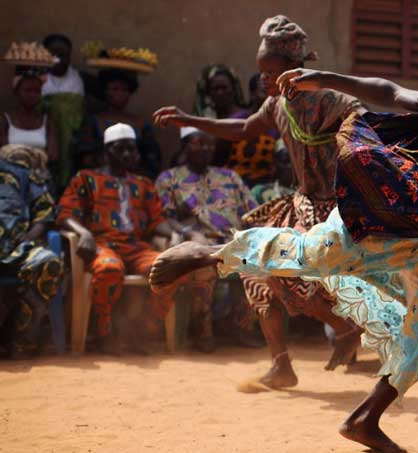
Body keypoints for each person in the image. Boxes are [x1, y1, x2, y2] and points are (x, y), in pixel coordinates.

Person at [150, 50, 418, 452]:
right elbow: (387, 90)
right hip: (380, 213)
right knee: (310, 256)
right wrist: (321, 77)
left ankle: (365, 419)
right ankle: (209, 254)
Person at [153, 15, 367, 389]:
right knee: (256, 272)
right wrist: (190, 119)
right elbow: (242, 129)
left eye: (270, 71)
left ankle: (345, 329)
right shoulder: (276, 106)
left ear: (294, 68)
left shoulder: (330, 101)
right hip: (301, 206)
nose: (264, 80)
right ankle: (281, 365)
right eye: (261, 72)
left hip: (336, 212)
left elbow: (365, 118)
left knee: (281, 273)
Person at [57, 123, 213, 354]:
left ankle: (143, 332)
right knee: (109, 269)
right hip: (102, 244)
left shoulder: (143, 184)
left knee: (170, 270)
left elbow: (156, 222)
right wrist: (84, 233)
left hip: (135, 246)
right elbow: (64, 214)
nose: (129, 154)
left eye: (132, 149)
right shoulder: (86, 179)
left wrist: (174, 235)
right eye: (121, 149)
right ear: (106, 152)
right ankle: (105, 334)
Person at [155, 127, 258, 351]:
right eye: (198, 143)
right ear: (184, 146)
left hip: (234, 241)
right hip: (199, 243)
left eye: (210, 144)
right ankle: (203, 333)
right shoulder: (169, 179)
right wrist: (186, 232)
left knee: (256, 263)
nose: (206, 149)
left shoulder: (229, 177)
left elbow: (253, 211)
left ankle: (243, 328)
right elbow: (165, 218)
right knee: (202, 267)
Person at [0, 145, 63, 358]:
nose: (18, 160)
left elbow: (45, 213)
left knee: (48, 262)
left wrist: (29, 236)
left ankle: (20, 339)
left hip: (18, 249)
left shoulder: (31, 179)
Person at [78, 69, 161, 178]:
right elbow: (84, 157)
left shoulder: (141, 124)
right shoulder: (94, 121)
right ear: (105, 91)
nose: (120, 94)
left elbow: (152, 160)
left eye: (125, 90)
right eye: (115, 89)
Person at [41, 33, 85, 192]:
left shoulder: (77, 79)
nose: (58, 60)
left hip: (70, 139)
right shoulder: (38, 78)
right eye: (53, 55)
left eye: (63, 55)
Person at [1, 67, 58, 162]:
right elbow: (3, 154)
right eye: (28, 90)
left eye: (37, 91)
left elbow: (53, 156)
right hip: (12, 175)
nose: (33, 95)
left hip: (40, 174)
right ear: (16, 92)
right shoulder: (5, 121)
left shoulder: (46, 121)